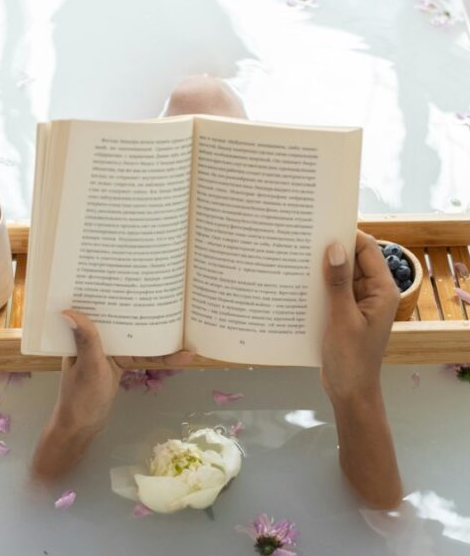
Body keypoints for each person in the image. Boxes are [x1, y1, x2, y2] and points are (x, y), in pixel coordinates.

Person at [30, 77, 403, 510]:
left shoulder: (326, 322)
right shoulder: (100, 338)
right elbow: (33, 507)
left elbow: (384, 522)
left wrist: (356, 390)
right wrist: (74, 422)